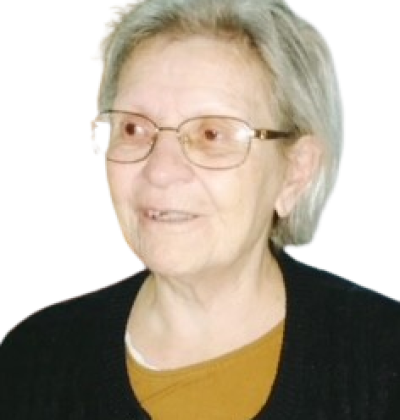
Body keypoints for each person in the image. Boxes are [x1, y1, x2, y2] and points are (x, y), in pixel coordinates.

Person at [1, 0, 399, 419]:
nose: (161, 171)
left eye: (211, 134)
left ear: (295, 172)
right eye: (133, 128)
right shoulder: (32, 362)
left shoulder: (382, 358)